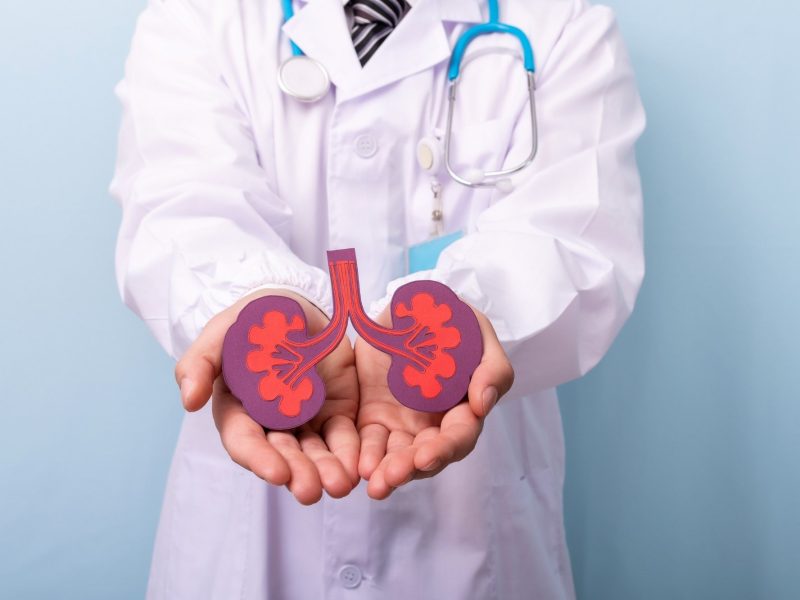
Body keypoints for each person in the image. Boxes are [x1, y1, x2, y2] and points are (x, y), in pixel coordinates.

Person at [110, 0, 645, 597]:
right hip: (249, 529)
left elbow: (577, 237)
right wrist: (258, 305)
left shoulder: (561, 19)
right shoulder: (200, 15)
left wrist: (463, 313)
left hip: (474, 519)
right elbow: (180, 206)